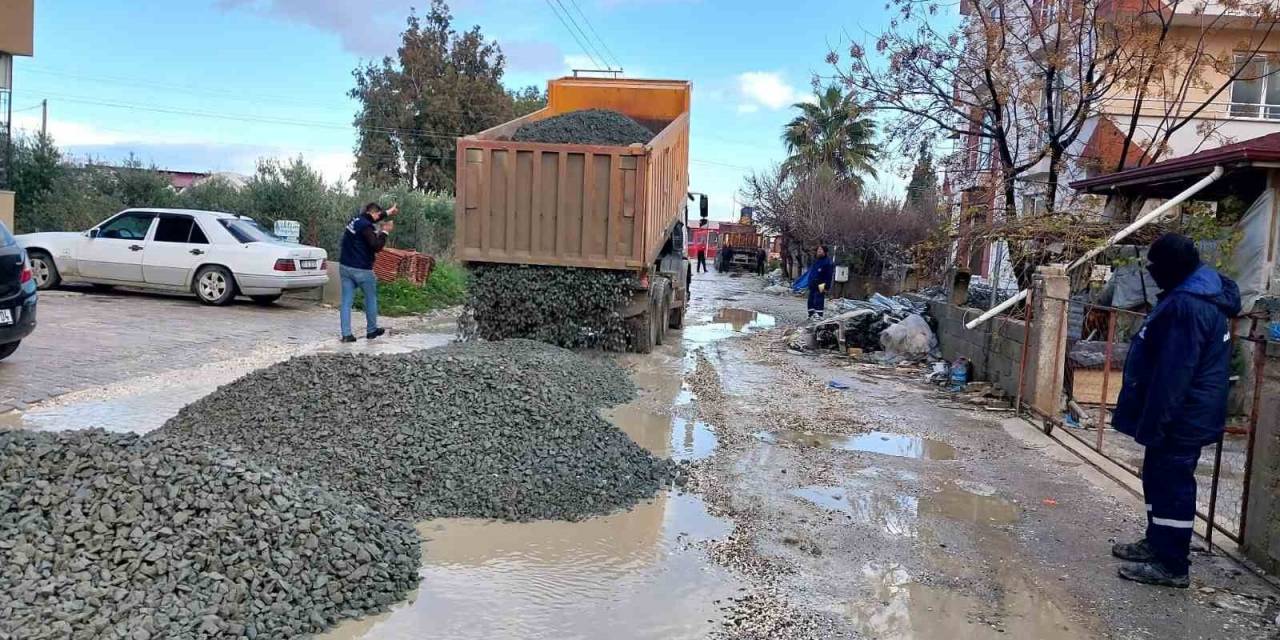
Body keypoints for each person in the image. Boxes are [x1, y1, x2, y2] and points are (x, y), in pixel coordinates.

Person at [1110, 233, 1240, 588]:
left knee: (1172, 484)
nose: (1151, 273)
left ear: (1172, 267)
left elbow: (1175, 373)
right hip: (1179, 410)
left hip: (1183, 414)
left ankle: (1172, 564)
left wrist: (1157, 422)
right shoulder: (1191, 294)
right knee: (1157, 477)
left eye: (1155, 267)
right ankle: (1157, 542)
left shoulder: (1190, 304)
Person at [338, 202, 398, 342]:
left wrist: (389, 212)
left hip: (345, 267)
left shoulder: (356, 220)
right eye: (378, 214)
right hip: (362, 269)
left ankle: (346, 334)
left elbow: (374, 218)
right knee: (370, 298)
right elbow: (376, 246)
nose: (379, 218)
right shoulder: (366, 227)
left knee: (346, 301)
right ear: (372, 213)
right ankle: (372, 330)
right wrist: (385, 232)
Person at [805, 245, 834, 319]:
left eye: (820, 250)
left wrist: (826, 286)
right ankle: (811, 314)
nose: (819, 252)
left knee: (818, 300)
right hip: (813, 284)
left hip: (821, 284)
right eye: (818, 250)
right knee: (811, 300)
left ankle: (819, 315)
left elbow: (829, 276)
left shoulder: (828, 262)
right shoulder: (816, 261)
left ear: (825, 252)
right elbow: (812, 272)